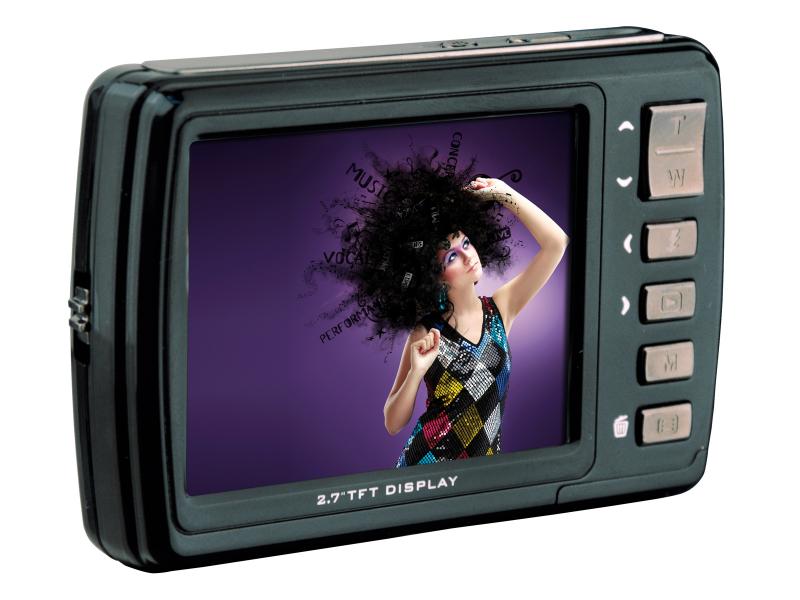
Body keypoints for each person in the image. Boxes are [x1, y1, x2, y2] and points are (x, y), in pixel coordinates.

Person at [304, 146, 569, 466]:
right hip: (427, 469)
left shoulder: (500, 309)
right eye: (452, 255)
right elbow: (393, 422)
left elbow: (557, 243)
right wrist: (416, 373)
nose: (468, 255)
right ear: (435, 275)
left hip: (483, 473)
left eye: (466, 243)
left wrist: (502, 192)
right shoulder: (427, 331)